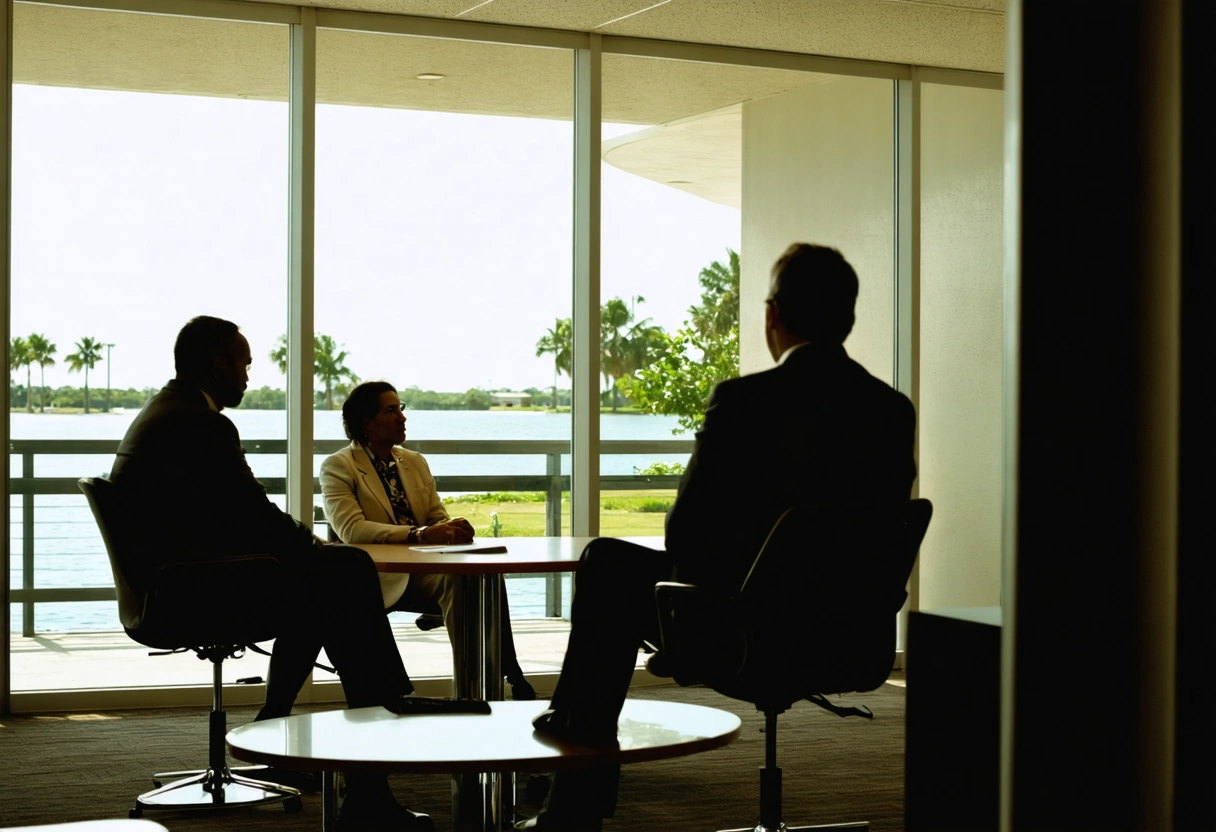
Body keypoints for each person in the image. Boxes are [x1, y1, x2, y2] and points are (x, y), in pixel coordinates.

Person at [523, 244, 917, 831]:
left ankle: (575, 796)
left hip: (744, 634)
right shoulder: (891, 411)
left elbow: (684, 536)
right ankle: (570, 719)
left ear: (773, 316)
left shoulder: (744, 402)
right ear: (849, 320)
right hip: (849, 639)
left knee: (607, 562)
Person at [109, 316, 434, 832]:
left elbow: (227, 517)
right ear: (218, 365)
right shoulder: (201, 422)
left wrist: (309, 551)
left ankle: (295, 728)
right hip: (188, 591)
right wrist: (312, 544)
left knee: (329, 583)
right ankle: (382, 718)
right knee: (343, 574)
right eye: (243, 365)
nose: (247, 377)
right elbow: (253, 514)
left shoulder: (169, 411)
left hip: (174, 582)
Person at [319, 380, 536, 700]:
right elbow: (353, 529)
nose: (402, 418)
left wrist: (451, 529)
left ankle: (483, 684)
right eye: (390, 411)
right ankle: (483, 689)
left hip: (428, 565)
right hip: (380, 575)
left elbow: (435, 516)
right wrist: (418, 534)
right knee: (460, 583)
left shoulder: (414, 461)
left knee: (484, 571)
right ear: (366, 422)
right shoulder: (338, 466)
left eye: (401, 409)